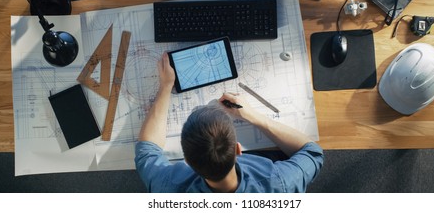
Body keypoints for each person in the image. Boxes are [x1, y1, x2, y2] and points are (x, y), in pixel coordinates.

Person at [135, 52, 324, 192]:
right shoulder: (277, 183)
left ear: (187, 162)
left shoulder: (168, 188)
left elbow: (146, 151)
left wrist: (166, 86)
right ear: (238, 150)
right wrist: (253, 116)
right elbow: (312, 153)